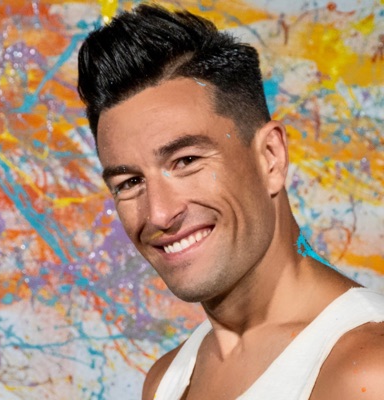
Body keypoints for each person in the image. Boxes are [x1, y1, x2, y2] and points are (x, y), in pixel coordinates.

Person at [77, 5, 384, 399]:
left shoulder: (367, 371)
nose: (160, 214)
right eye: (130, 182)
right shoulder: (165, 381)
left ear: (270, 157)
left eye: (186, 161)